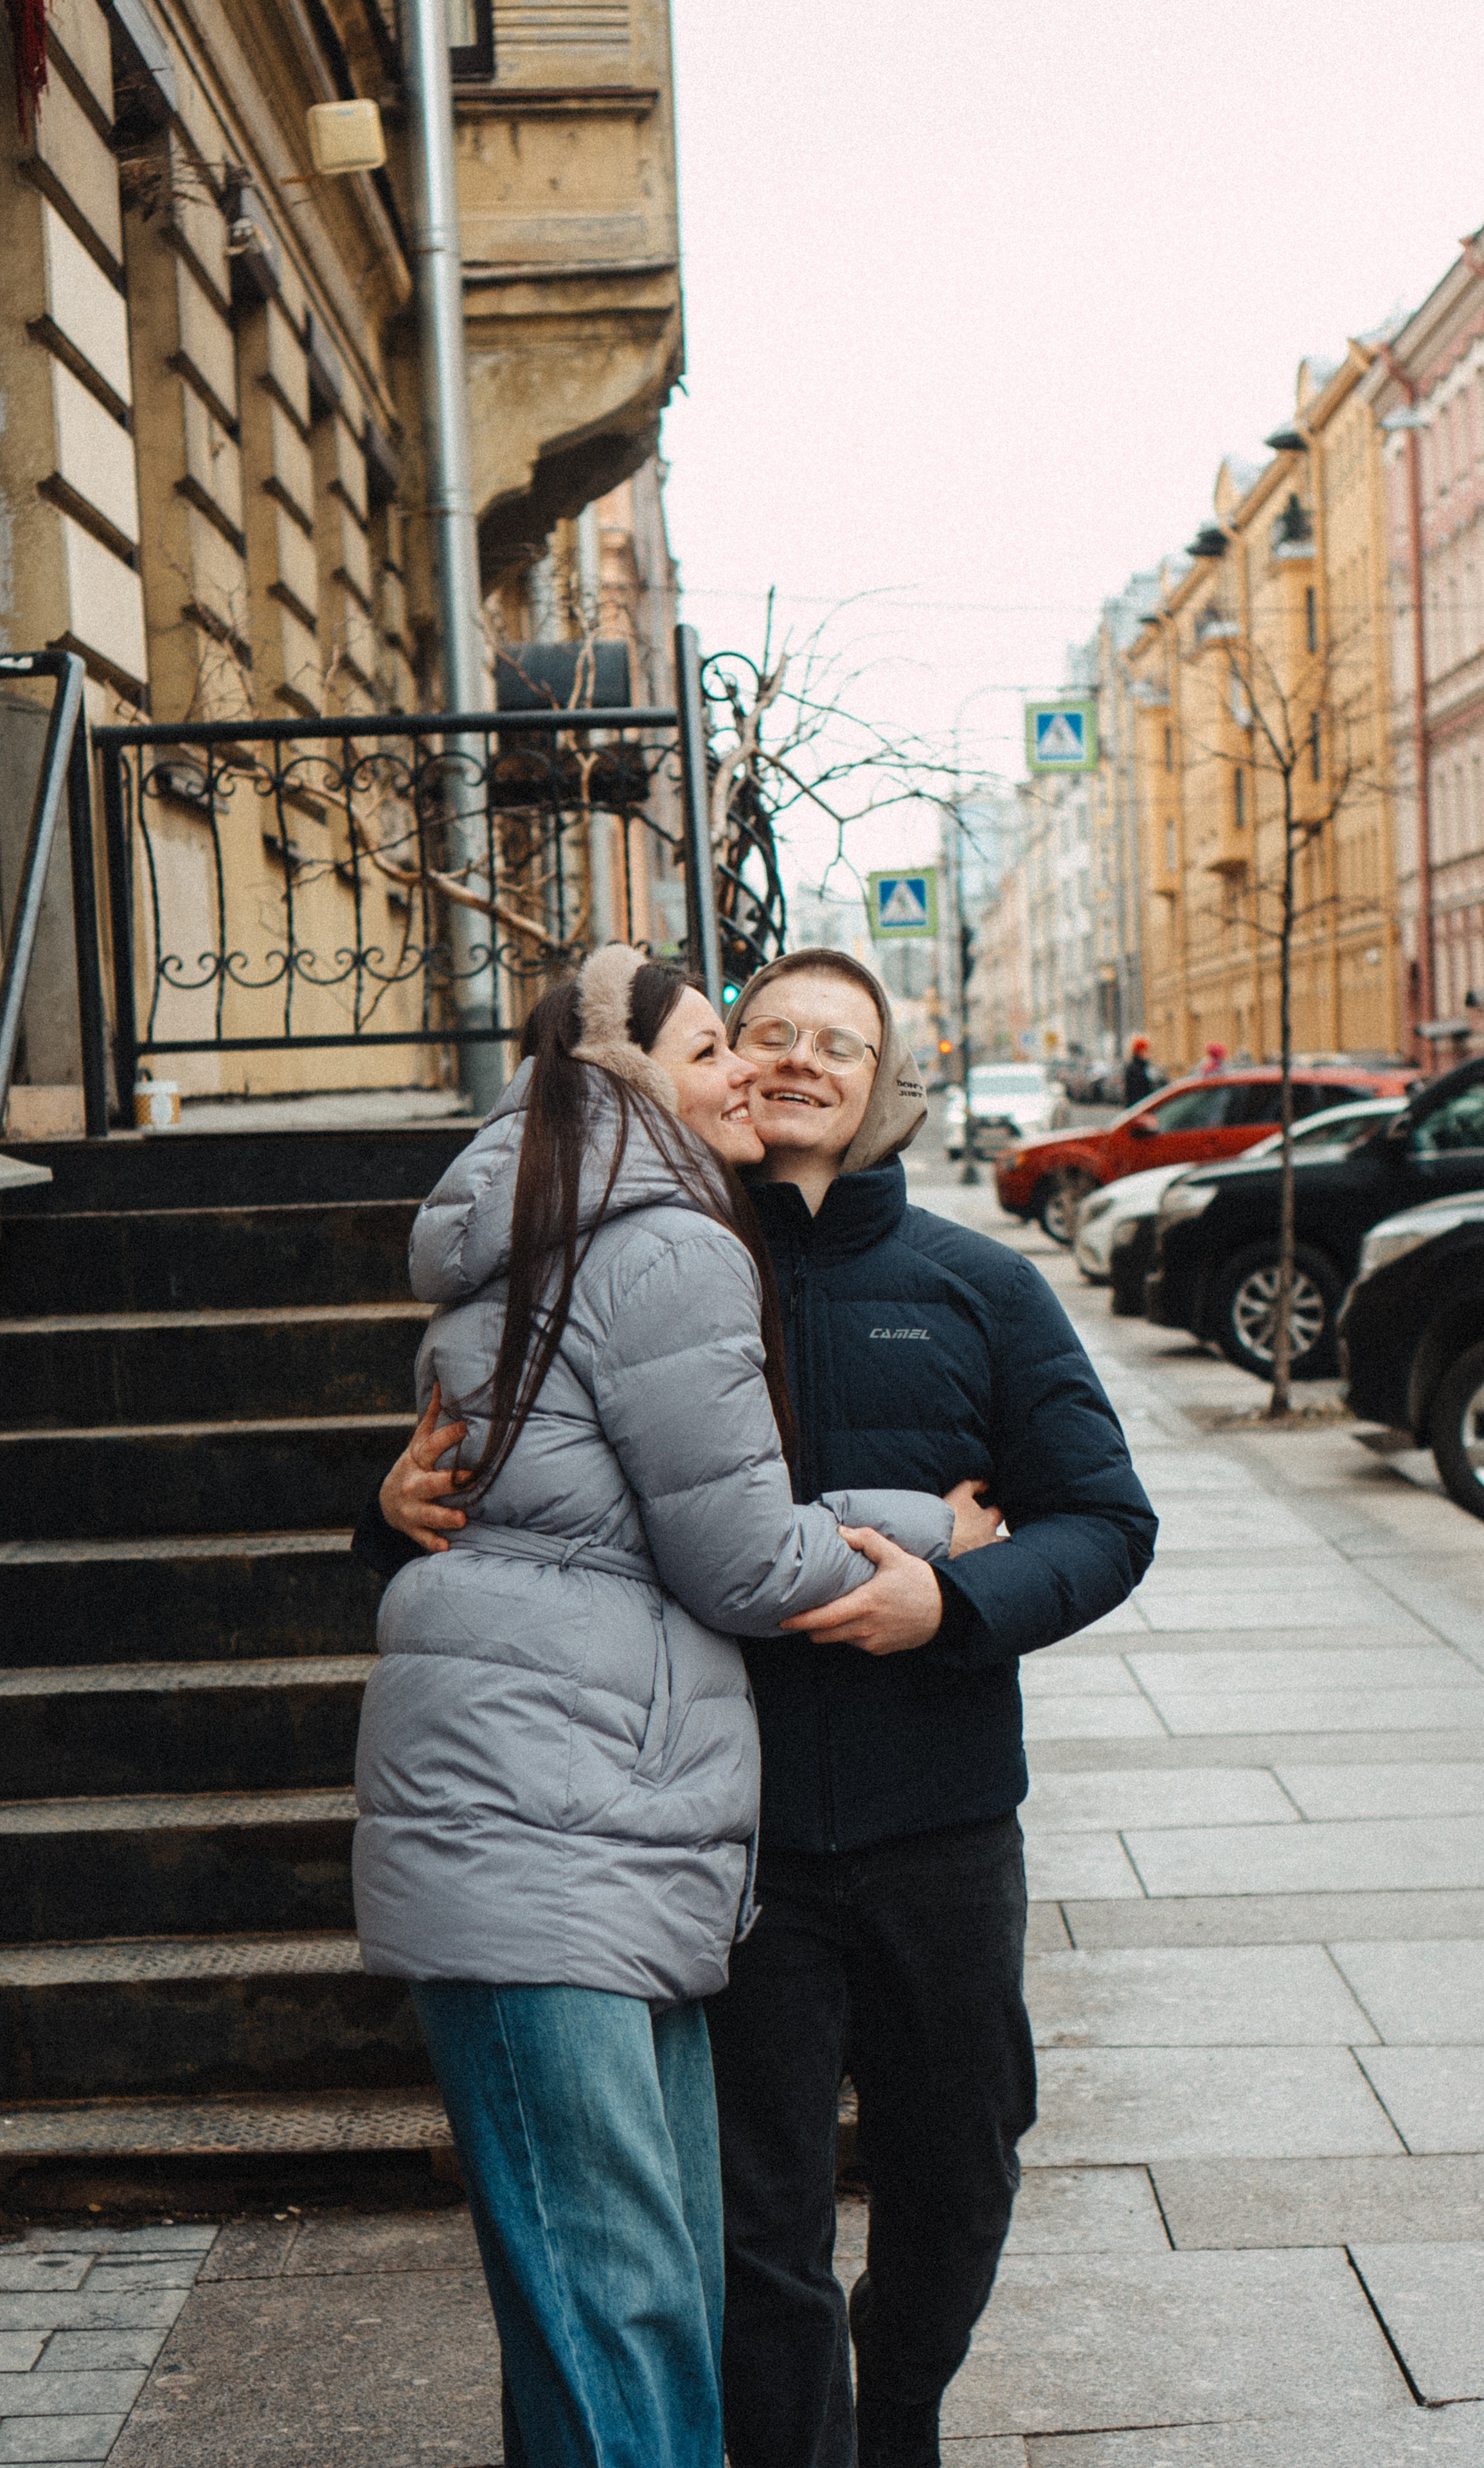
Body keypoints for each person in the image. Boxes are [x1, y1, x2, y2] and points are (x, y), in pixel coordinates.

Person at [373, 947, 1156, 2468]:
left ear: (882, 1094)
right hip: (730, 1843)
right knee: (757, 2225)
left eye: (835, 1045)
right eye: (765, 1032)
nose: (793, 1059)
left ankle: (904, 2406)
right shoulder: (630, 1243)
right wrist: (384, 1500)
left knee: (962, 2159)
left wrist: (954, 1599)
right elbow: (520, 1488)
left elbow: (1103, 1519)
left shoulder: (977, 1288)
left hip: (935, 1816)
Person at [1122, 1032, 1156, 1107]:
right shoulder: (1136, 1070)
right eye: (1146, 1051)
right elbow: (1136, 1094)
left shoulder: (1142, 1067)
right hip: (1139, 1108)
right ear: (1140, 1052)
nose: (1149, 1054)